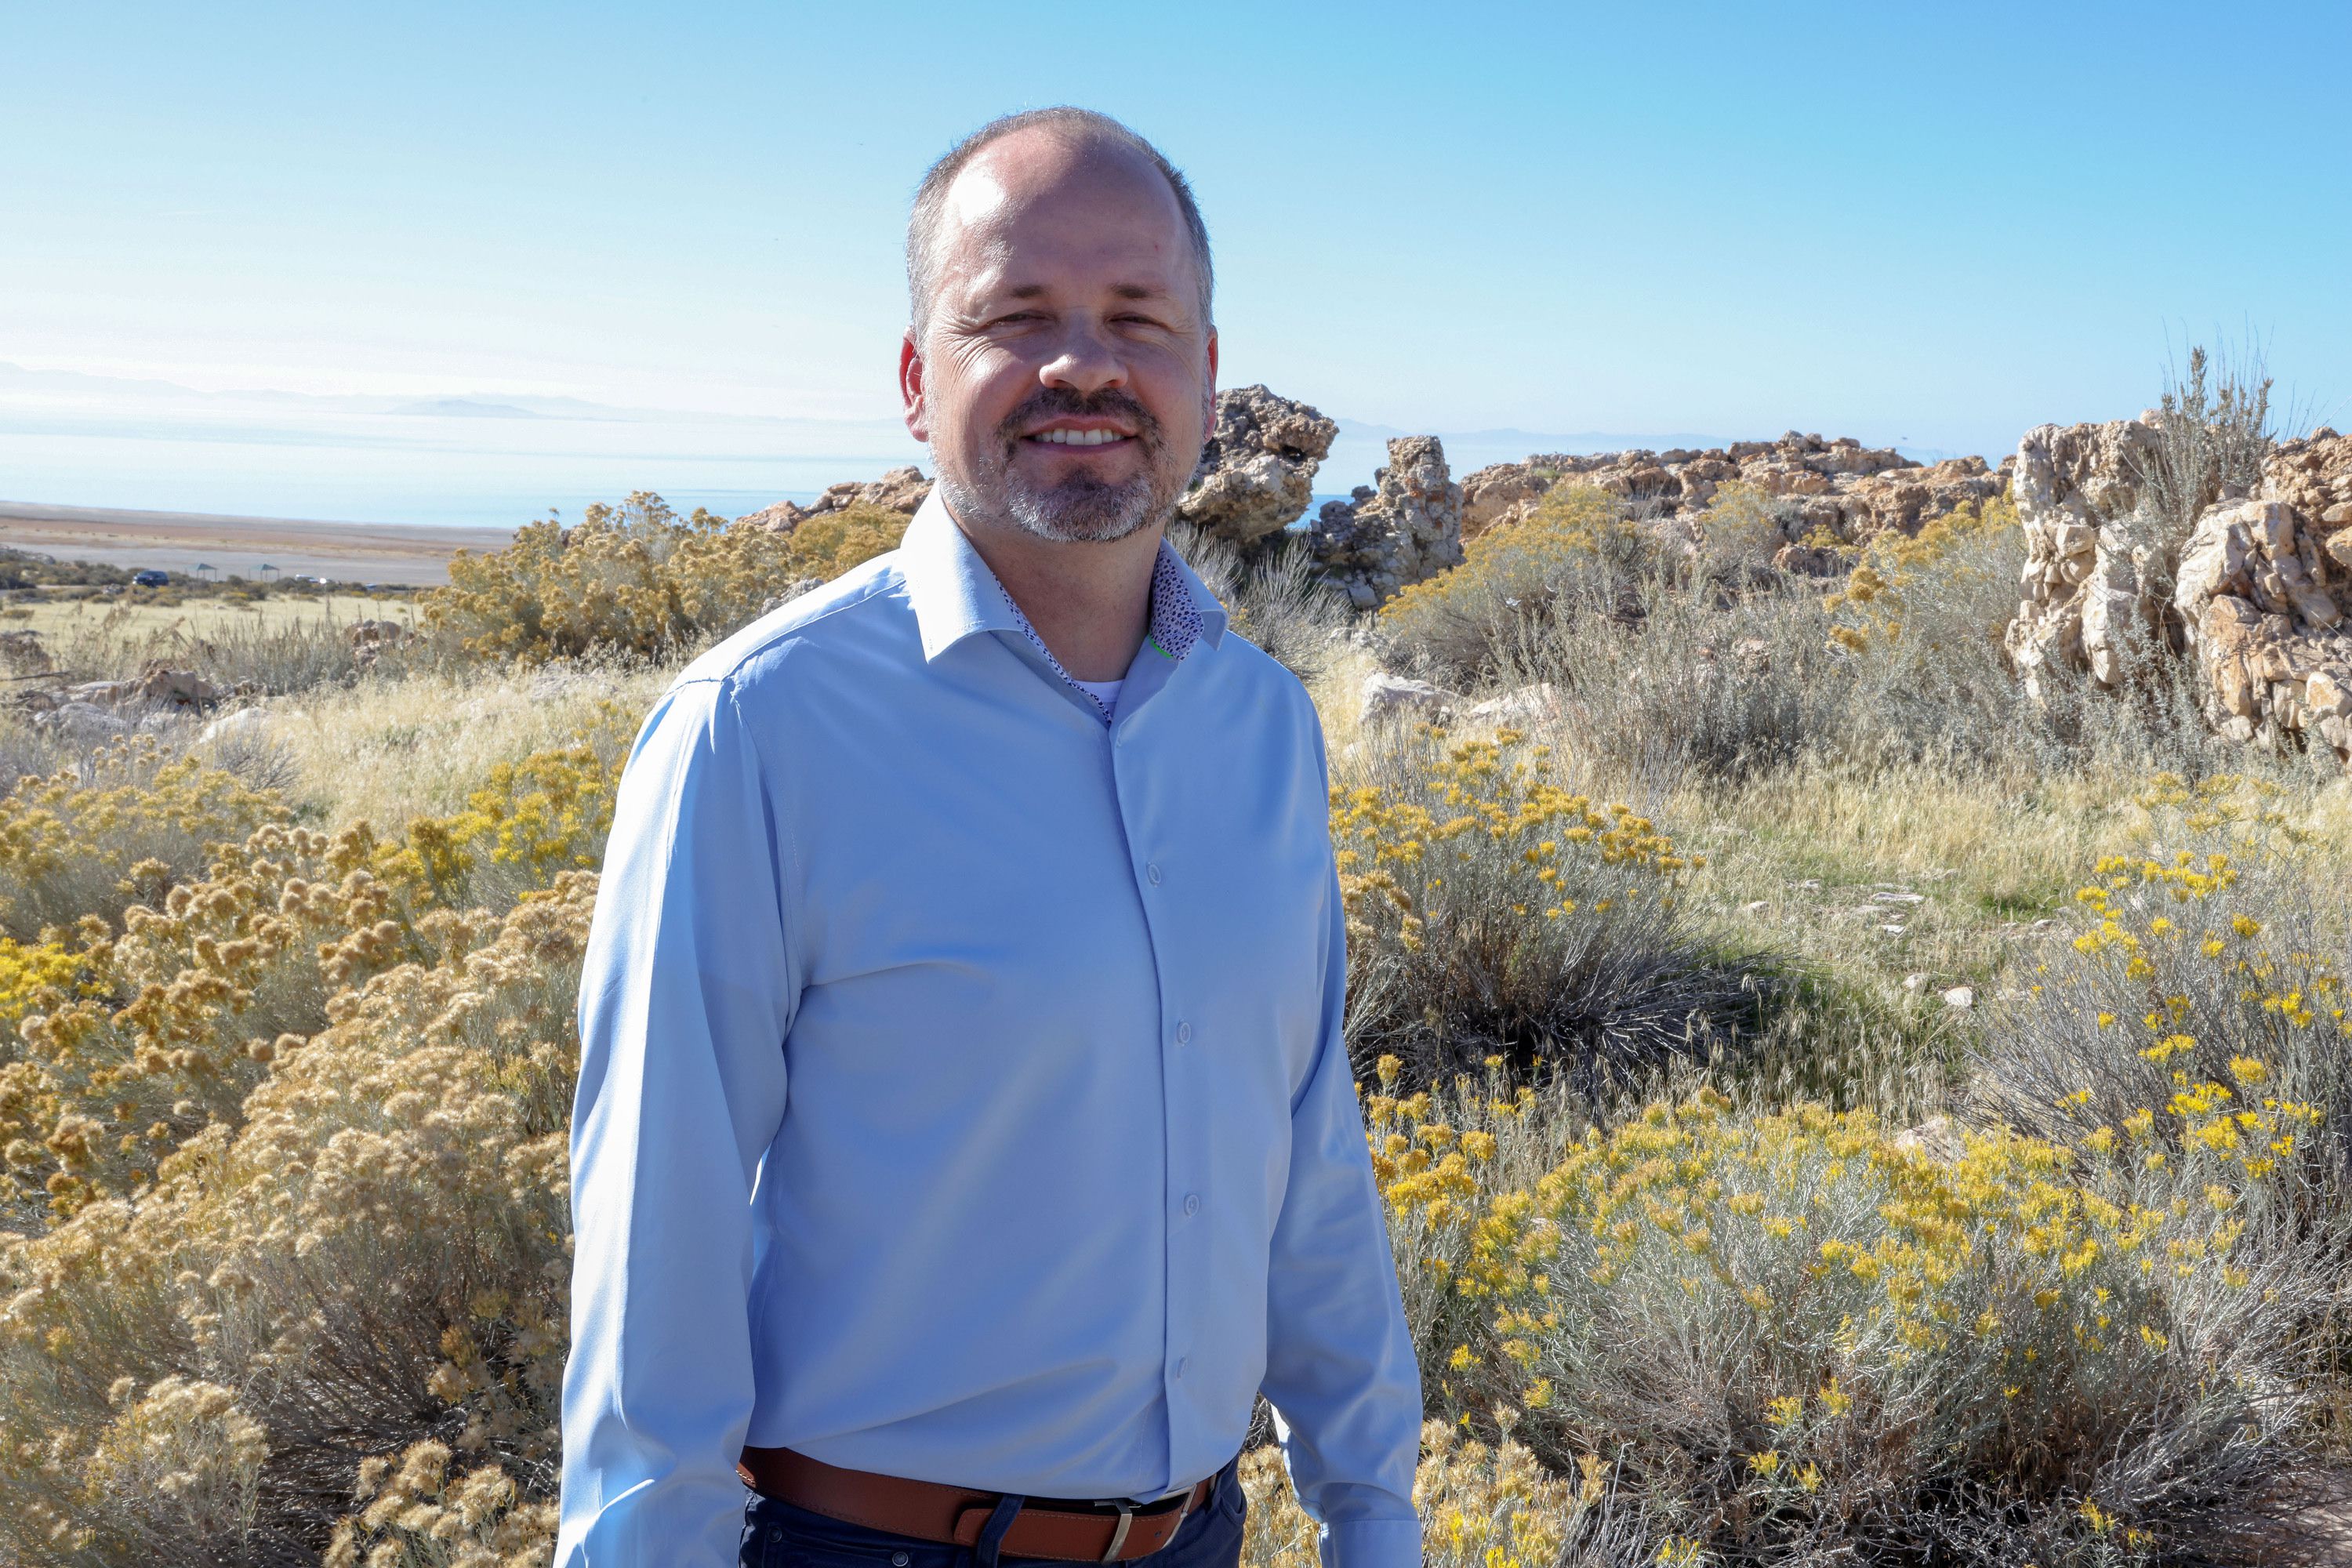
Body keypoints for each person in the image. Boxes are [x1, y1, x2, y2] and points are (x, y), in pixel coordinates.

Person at [556, 107, 1422, 1568]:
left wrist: (1374, 1514)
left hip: (1201, 1540)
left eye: (1137, 319)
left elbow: (1307, 1154)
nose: (1084, 361)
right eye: (1016, 317)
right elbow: (659, 1232)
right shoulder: (758, 730)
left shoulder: (1263, 726)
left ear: (1208, 379)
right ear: (915, 378)